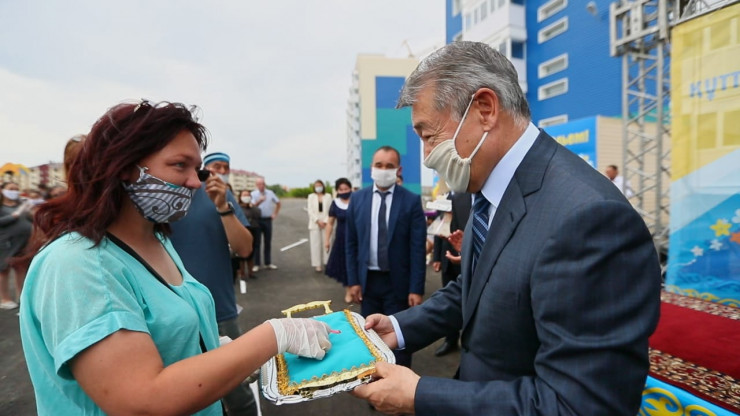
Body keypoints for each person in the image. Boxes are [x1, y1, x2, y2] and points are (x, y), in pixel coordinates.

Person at [351, 41, 661, 415]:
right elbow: (477, 287)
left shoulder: (590, 219)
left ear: (485, 109)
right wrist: (398, 329)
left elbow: (580, 404)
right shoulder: (488, 191)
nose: (428, 157)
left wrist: (420, 395)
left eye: (429, 136)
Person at [18, 100, 332, 416]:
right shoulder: (78, 263)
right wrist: (273, 336)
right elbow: (142, 401)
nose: (195, 182)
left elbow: (168, 339)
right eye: (180, 165)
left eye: (197, 169)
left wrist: (220, 354)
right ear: (123, 166)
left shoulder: (156, 239)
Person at [169, 151, 257, 416]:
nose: (221, 171)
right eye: (215, 166)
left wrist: (222, 206)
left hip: (219, 309)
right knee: (183, 395)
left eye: (225, 167)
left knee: (237, 391)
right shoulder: (158, 198)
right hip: (170, 315)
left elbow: (245, 248)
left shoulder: (220, 195)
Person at [345, 145, 426, 368]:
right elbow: (350, 244)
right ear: (371, 167)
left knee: (399, 339)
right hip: (368, 283)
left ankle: (400, 383)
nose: (383, 170)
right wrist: (353, 281)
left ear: (398, 170)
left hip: (398, 283)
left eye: (389, 166)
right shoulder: (357, 199)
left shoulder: (411, 201)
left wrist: (416, 288)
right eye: (379, 165)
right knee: (369, 336)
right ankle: (375, 379)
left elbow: (417, 248)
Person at [430, 191, 471, 357]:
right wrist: (437, 257)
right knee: (448, 298)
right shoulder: (444, 199)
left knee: (468, 300)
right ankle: (450, 339)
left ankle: (468, 341)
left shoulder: (473, 194)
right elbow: (439, 230)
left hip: (467, 256)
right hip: (447, 258)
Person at [0, 182, 32, 310]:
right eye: (11, 189)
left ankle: (21, 298)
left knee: (21, 269)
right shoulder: (2, 207)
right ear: (2, 190)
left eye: (16, 189)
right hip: (6, 242)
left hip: (24, 242)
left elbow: (30, 220)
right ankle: (5, 299)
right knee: (4, 270)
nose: (14, 191)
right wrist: (14, 215)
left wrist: (29, 212)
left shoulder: (21, 205)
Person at [324, 177, 353, 303]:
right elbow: (330, 223)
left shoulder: (357, 200)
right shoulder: (335, 204)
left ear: (350, 189)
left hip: (357, 239)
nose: (344, 191)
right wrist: (327, 240)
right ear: (337, 191)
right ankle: (348, 291)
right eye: (341, 189)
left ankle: (359, 290)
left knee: (358, 265)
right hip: (342, 239)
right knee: (345, 265)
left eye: (346, 189)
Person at [251, 177, 280, 271]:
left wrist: (275, 214)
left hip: (267, 220)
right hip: (257, 220)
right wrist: (259, 201)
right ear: (256, 185)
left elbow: (278, 203)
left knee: (267, 242)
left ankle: (268, 263)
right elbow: (251, 206)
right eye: (259, 184)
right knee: (257, 242)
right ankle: (256, 264)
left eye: (263, 184)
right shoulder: (253, 194)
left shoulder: (270, 193)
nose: (261, 186)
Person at [307, 179, 332, 272]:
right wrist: (317, 220)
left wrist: (325, 221)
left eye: (320, 185)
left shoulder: (328, 196)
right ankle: (317, 264)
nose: (318, 187)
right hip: (315, 222)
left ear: (323, 186)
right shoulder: (311, 197)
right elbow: (310, 210)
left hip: (326, 222)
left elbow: (331, 210)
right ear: (314, 187)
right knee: (315, 244)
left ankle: (327, 262)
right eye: (316, 186)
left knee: (327, 242)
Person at [238, 189, 261, 279]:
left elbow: (258, 214)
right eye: (244, 195)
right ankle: (242, 273)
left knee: (251, 252)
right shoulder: (238, 208)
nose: (246, 197)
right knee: (241, 253)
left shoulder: (253, 208)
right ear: (240, 197)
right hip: (242, 230)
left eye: (248, 195)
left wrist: (252, 206)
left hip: (253, 230)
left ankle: (251, 272)